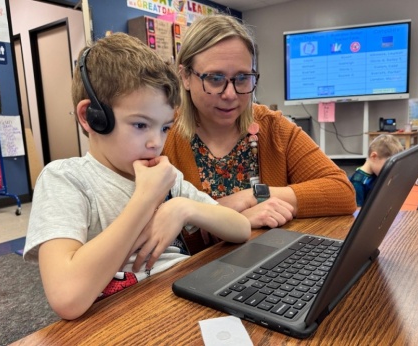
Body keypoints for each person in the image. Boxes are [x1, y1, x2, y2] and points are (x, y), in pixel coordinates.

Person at [23, 33, 251, 320]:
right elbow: (67, 297)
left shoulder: (167, 177)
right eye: (141, 125)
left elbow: (241, 228)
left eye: (165, 127)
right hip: (119, 320)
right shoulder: (66, 179)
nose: (156, 142)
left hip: (181, 301)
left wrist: (183, 207)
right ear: (92, 117)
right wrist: (145, 198)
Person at [162, 14, 356, 253]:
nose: (231, 94)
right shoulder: (161, 133)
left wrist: (253, 196)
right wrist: (224, 213)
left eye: (242, 78)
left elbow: (343, 192)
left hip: (269, 264)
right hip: (193, 276)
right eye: (215, 78)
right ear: (185, 77)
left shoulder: (272, 126)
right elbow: (153, 228)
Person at [349, 134, 404, 207]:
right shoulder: (357, 182)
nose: (391, 171)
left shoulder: (377, 172)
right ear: (374, 156)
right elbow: (357, 212)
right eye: (388, 166)